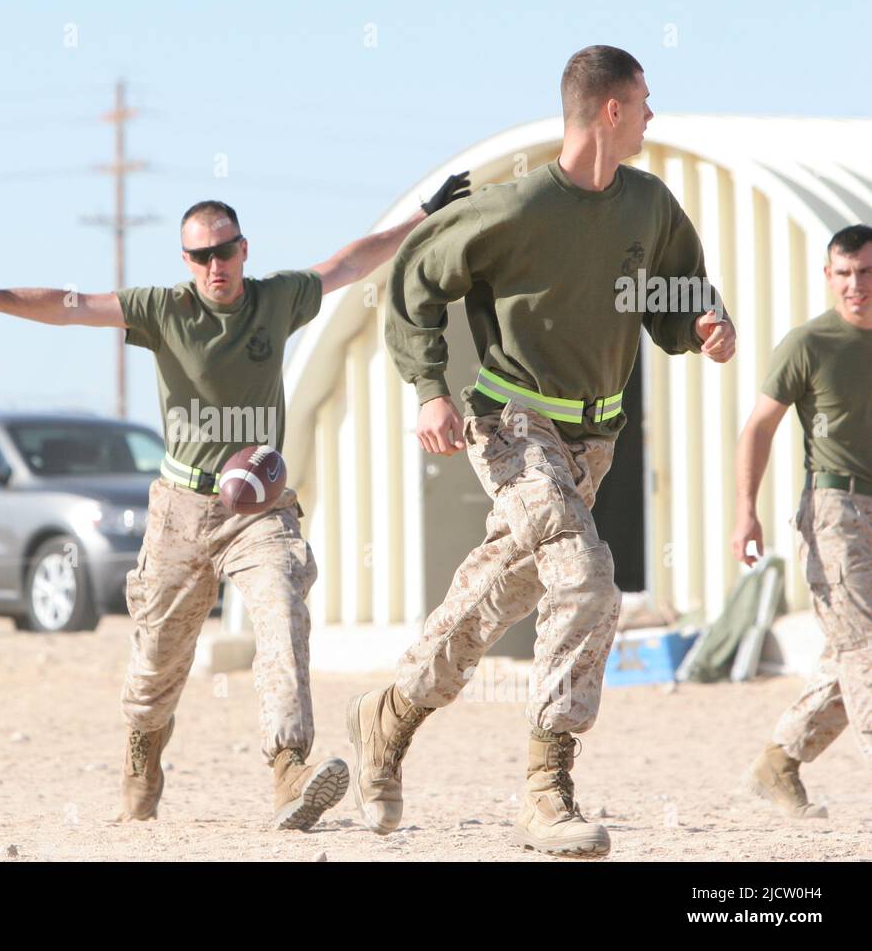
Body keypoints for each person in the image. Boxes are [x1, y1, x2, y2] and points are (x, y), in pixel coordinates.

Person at [0, 170, 471, 829]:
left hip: (259, 510)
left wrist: (424, 212)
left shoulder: (277, 299)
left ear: (244, 249)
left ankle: (289, 770)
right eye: (201, 255)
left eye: (225, 250)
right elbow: (68, 305)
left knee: (281, 610)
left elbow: (349, 261)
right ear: (186, 261)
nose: (215, 264)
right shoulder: (164, 309)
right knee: (153, 671)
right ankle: (144, 752)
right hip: (180, 509)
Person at [346, 45, 737, 857]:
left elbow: (673, 297)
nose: (654, 117)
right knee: (589, 579)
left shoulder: (649, 205)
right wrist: (429, 388)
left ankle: (388, 716)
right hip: (514, 424)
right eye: (645, 101)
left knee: (497, 590)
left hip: (594, 439)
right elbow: (414, 276)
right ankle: (546, 787)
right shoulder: (517, 207)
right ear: (611, 111)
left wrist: (705, 326)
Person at [732, 223, 872, 819]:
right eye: (843, 273)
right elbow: (758, 427)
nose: (855, 285)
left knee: (850, 652)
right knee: (866, 646)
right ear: (827, 276)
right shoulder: (809, 343)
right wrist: (745, 511)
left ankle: (779, 762)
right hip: (834, 511)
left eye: (865, 272)